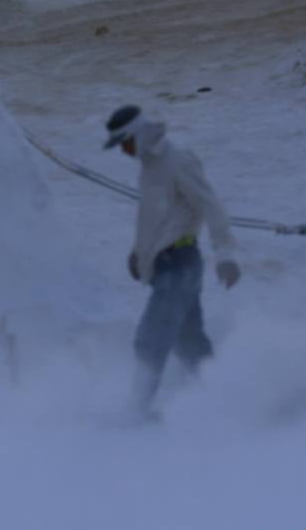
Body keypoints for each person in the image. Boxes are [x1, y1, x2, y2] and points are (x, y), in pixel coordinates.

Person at [104, 105, 241, 418]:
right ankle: (223, 402)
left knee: (149, 338)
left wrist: (225, 255)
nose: (124, 151)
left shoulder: (178, 159)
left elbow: (211, 207)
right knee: (189, 341)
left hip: (181, 264)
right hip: (165, 265)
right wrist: (139, 254)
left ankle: (135, 412)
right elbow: (156, 219)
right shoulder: (149, 166)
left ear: (139, 134)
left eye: (125, 143)